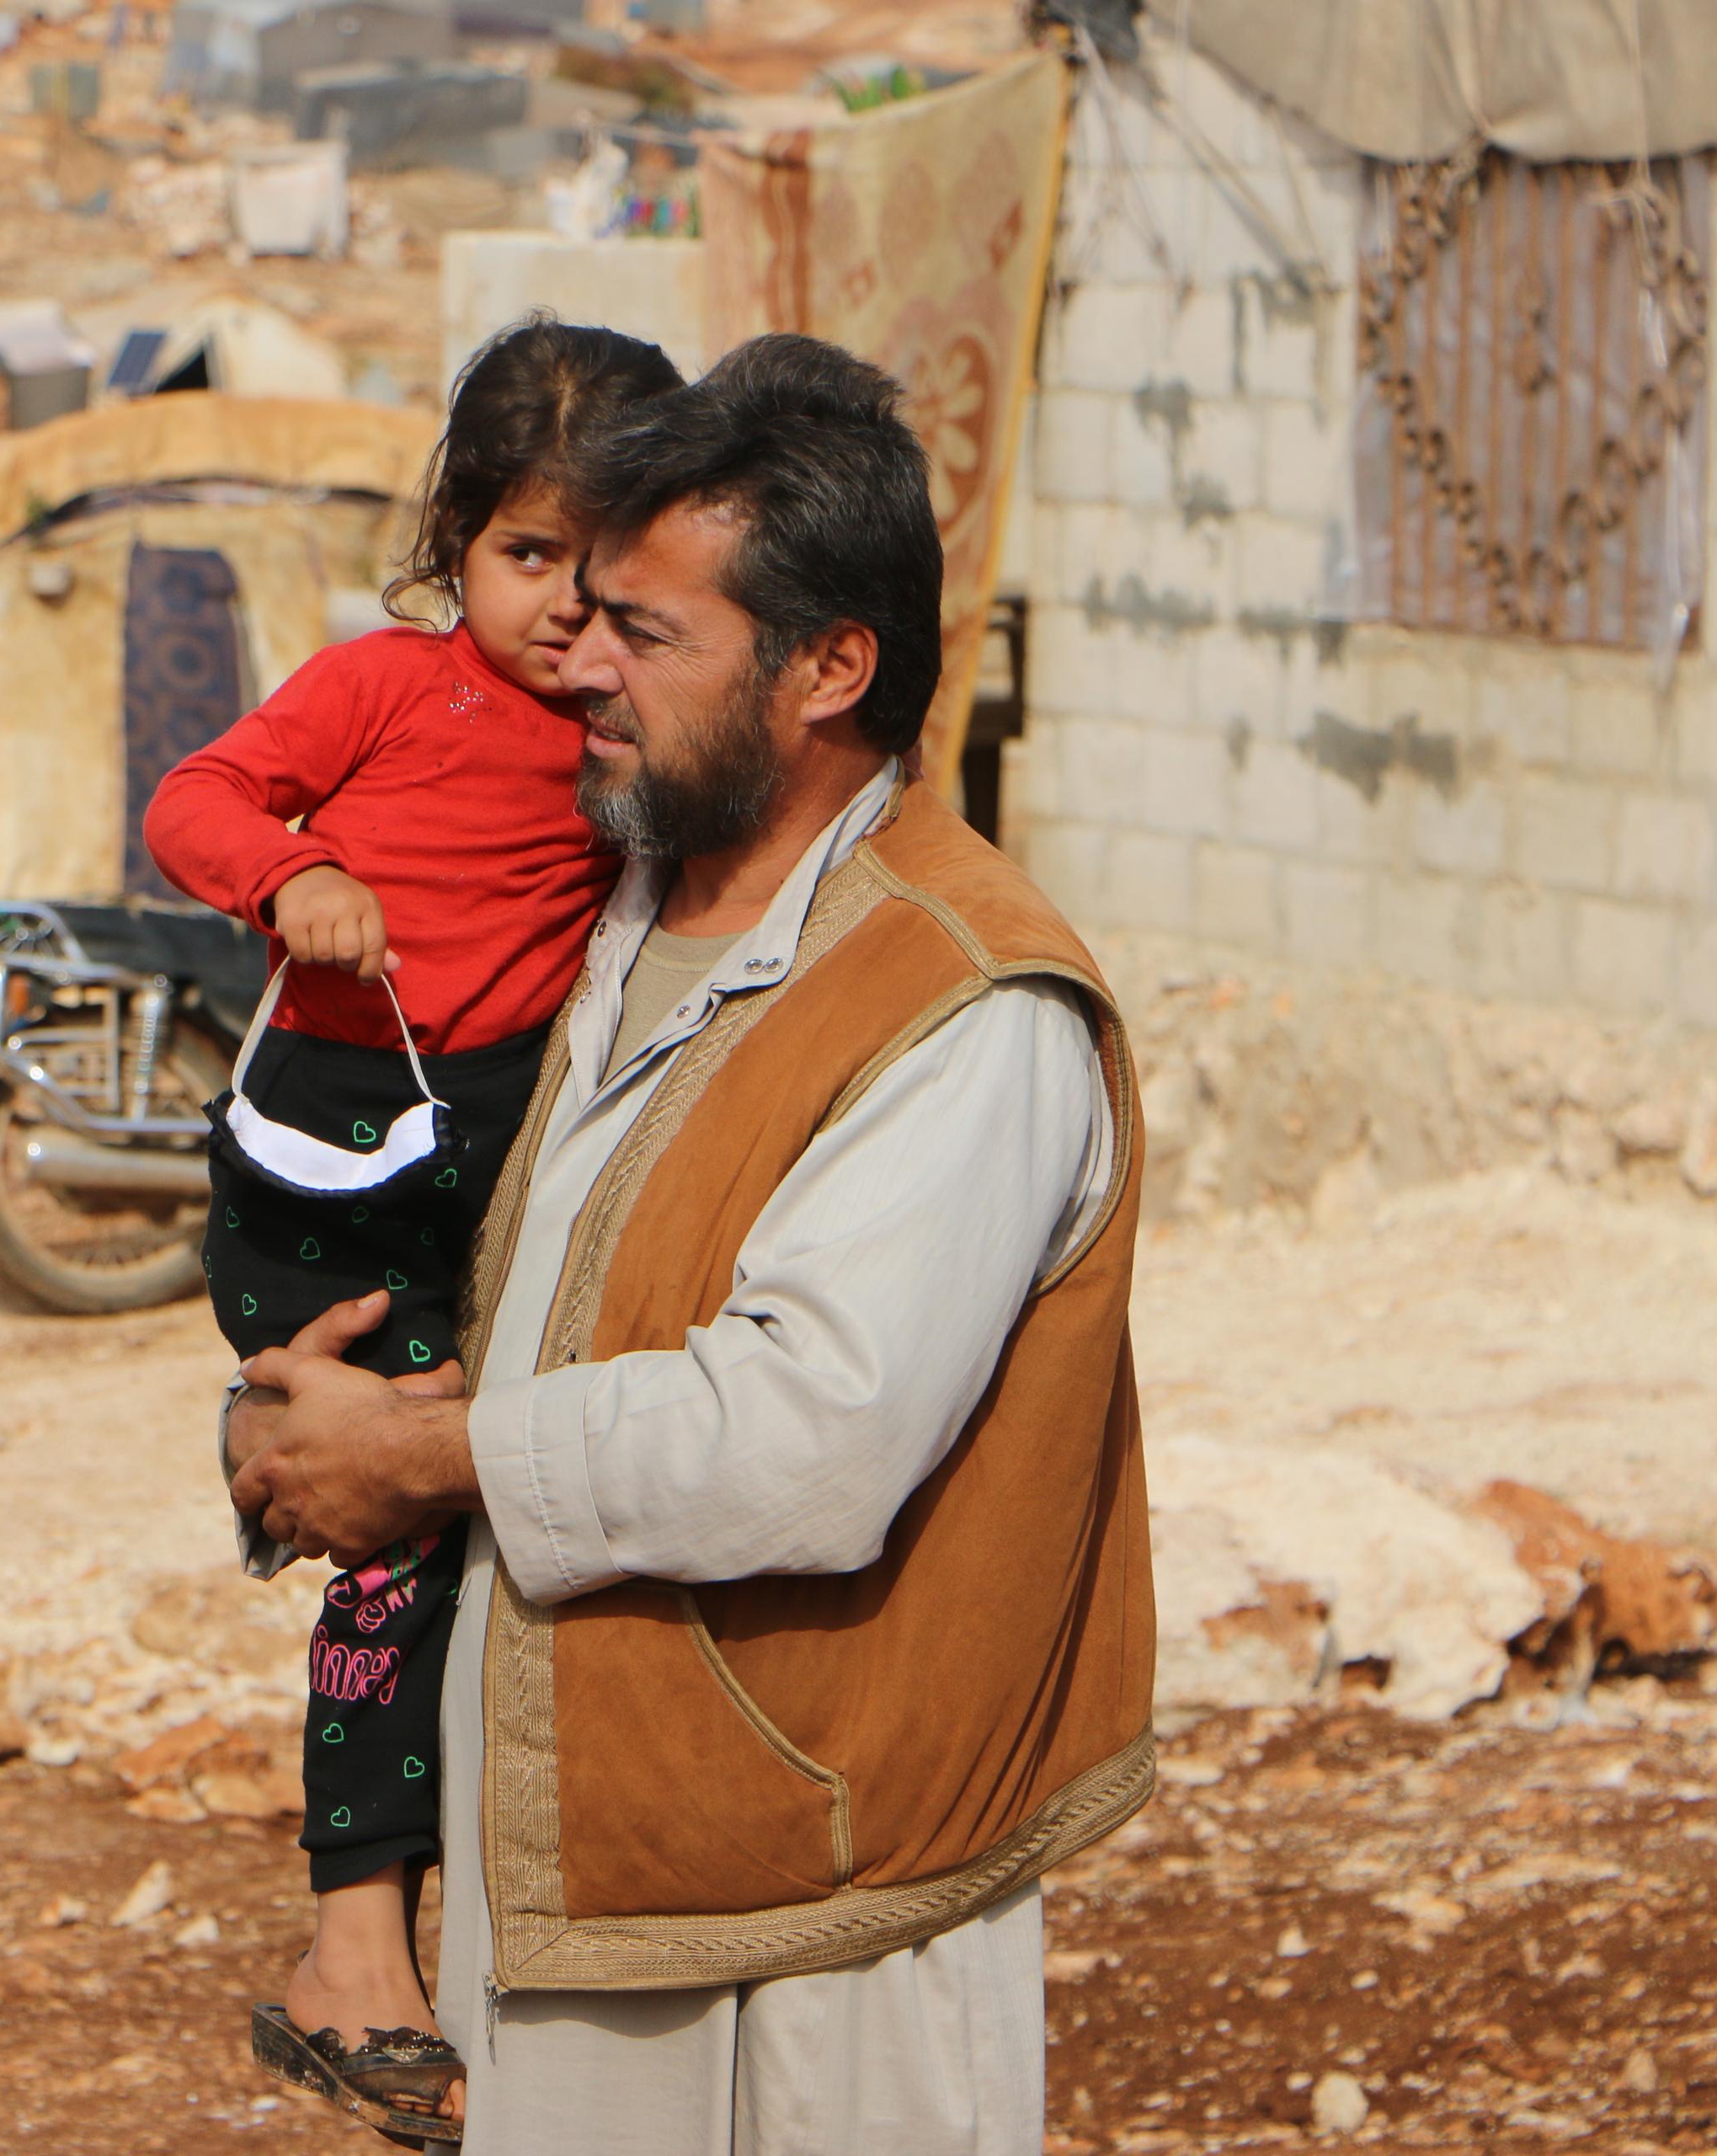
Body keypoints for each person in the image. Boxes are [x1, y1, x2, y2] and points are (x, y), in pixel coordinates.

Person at [223, 333, 1158, 2156]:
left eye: (650, 634)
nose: (587, 670)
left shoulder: (964, 1003)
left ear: (830, 666)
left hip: (832, 1922)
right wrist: (294, 1389)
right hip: (594, 1862)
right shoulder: (613, 905)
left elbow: (804, 1438)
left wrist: (420, 1454)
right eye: (586, 612)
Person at [143, 318, 686, 2143]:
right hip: (331, 1159)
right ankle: (352, 1945)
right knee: (394, 1527)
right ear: (458, 537)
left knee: (479, 1526)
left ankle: (447, 1933)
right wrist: (295, 873)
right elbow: (195, 794)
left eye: (609, 576)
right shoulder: (383, 687)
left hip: (493, 1162)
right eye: (530, 558)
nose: (564, 610)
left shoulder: (630, 741)